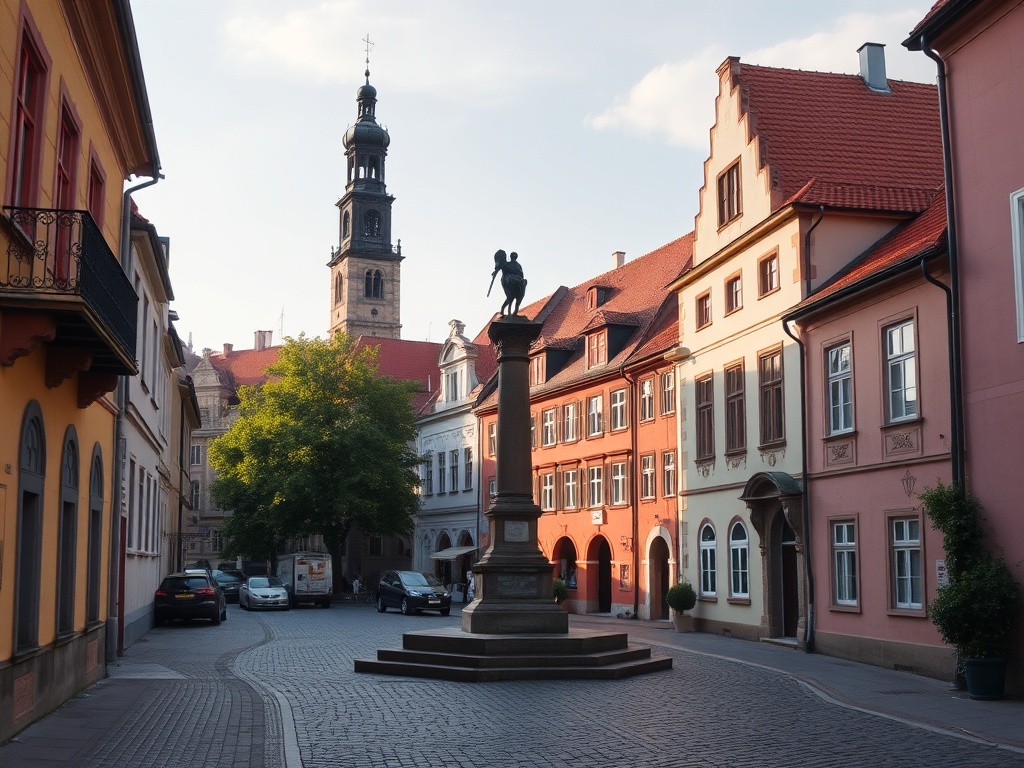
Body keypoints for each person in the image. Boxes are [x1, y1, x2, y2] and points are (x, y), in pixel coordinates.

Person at [488, 249, 527, 316]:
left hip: (517, 280)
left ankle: (515, 308)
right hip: (507, 280)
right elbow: (500, 267)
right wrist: (496, 271)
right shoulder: (507, 264)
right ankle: (505, 309)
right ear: (511, 257)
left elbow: (521, 274)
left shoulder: (518, 265)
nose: (513, 258)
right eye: (512, 256)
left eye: (514, 257)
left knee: (520, 291)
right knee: (510, 296)